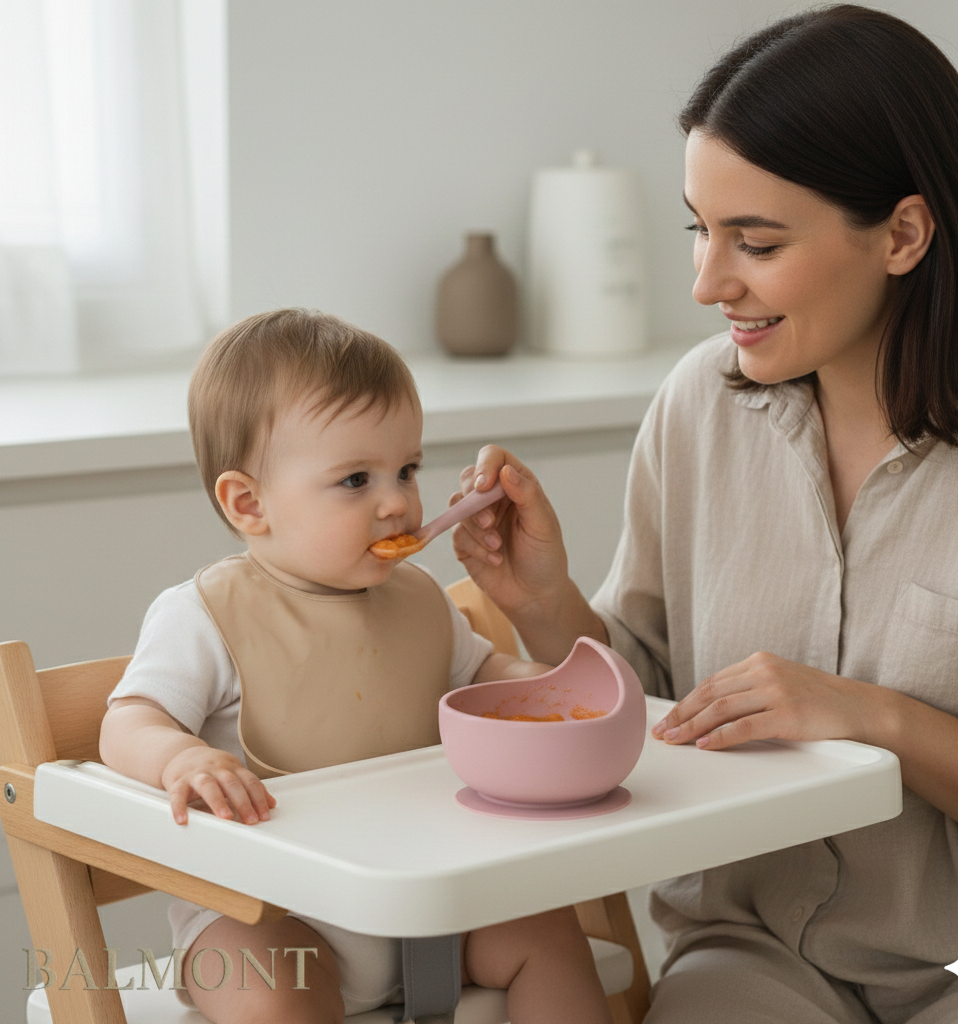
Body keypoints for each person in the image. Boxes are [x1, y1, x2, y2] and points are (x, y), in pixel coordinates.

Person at [452, 6, 958, 1024]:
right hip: (759, 947)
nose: (708, 282)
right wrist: (546, 608)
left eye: (753, 242)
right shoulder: (698, 404)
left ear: (902, 233)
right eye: (699, 229)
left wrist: (875, 719)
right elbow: (658, 709)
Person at [98, 309, 613, 1024]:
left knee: (549, 932)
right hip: (270, 915)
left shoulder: (422, 599)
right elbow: (128, 720)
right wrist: (181, 760)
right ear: (249, 503)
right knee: (272, 986)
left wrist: (558, 691)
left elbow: (486, 679)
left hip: (431, 899)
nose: (398, 501)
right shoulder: (206, 615)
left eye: (406, 469)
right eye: (355, 480)